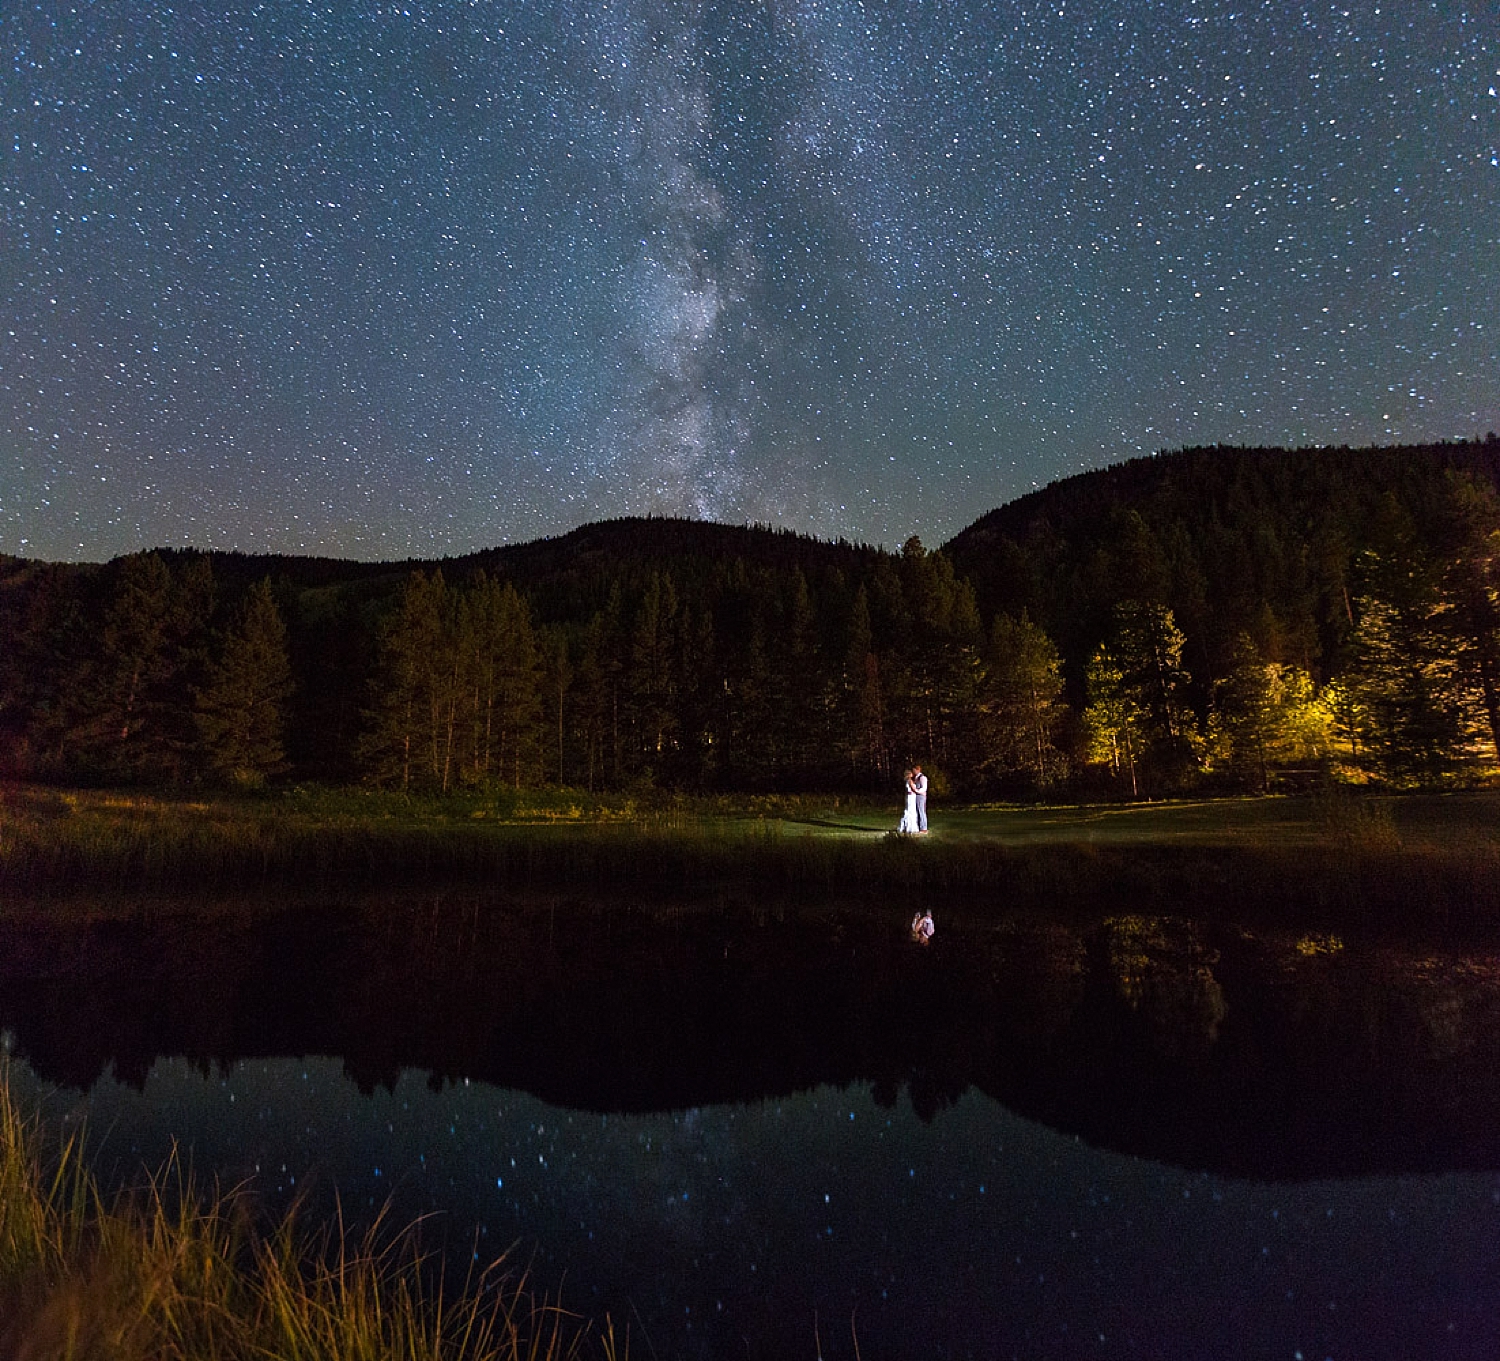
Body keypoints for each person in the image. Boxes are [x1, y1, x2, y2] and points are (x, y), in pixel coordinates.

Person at [899, 768, 919, 834]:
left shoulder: (907, 781)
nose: (912, 774)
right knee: (911, 811)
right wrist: (919, 791)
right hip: (911, 797)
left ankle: (906, 826)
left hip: (908, 796)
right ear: (909, 774)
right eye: (911, 773)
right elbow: (913, 789)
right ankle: (910, 827)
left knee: (908, 810)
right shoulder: (910, 781)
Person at [912, 764, 928, 833]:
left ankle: (924, 828)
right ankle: (919, 826)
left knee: (921, 811)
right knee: (918, 811)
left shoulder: (922, 777)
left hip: (921, 796)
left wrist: (916, 791)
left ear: (917, 770)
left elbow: (924, 788)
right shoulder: (916, 777)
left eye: (914, 770)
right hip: (917, 796)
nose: (913, 771)